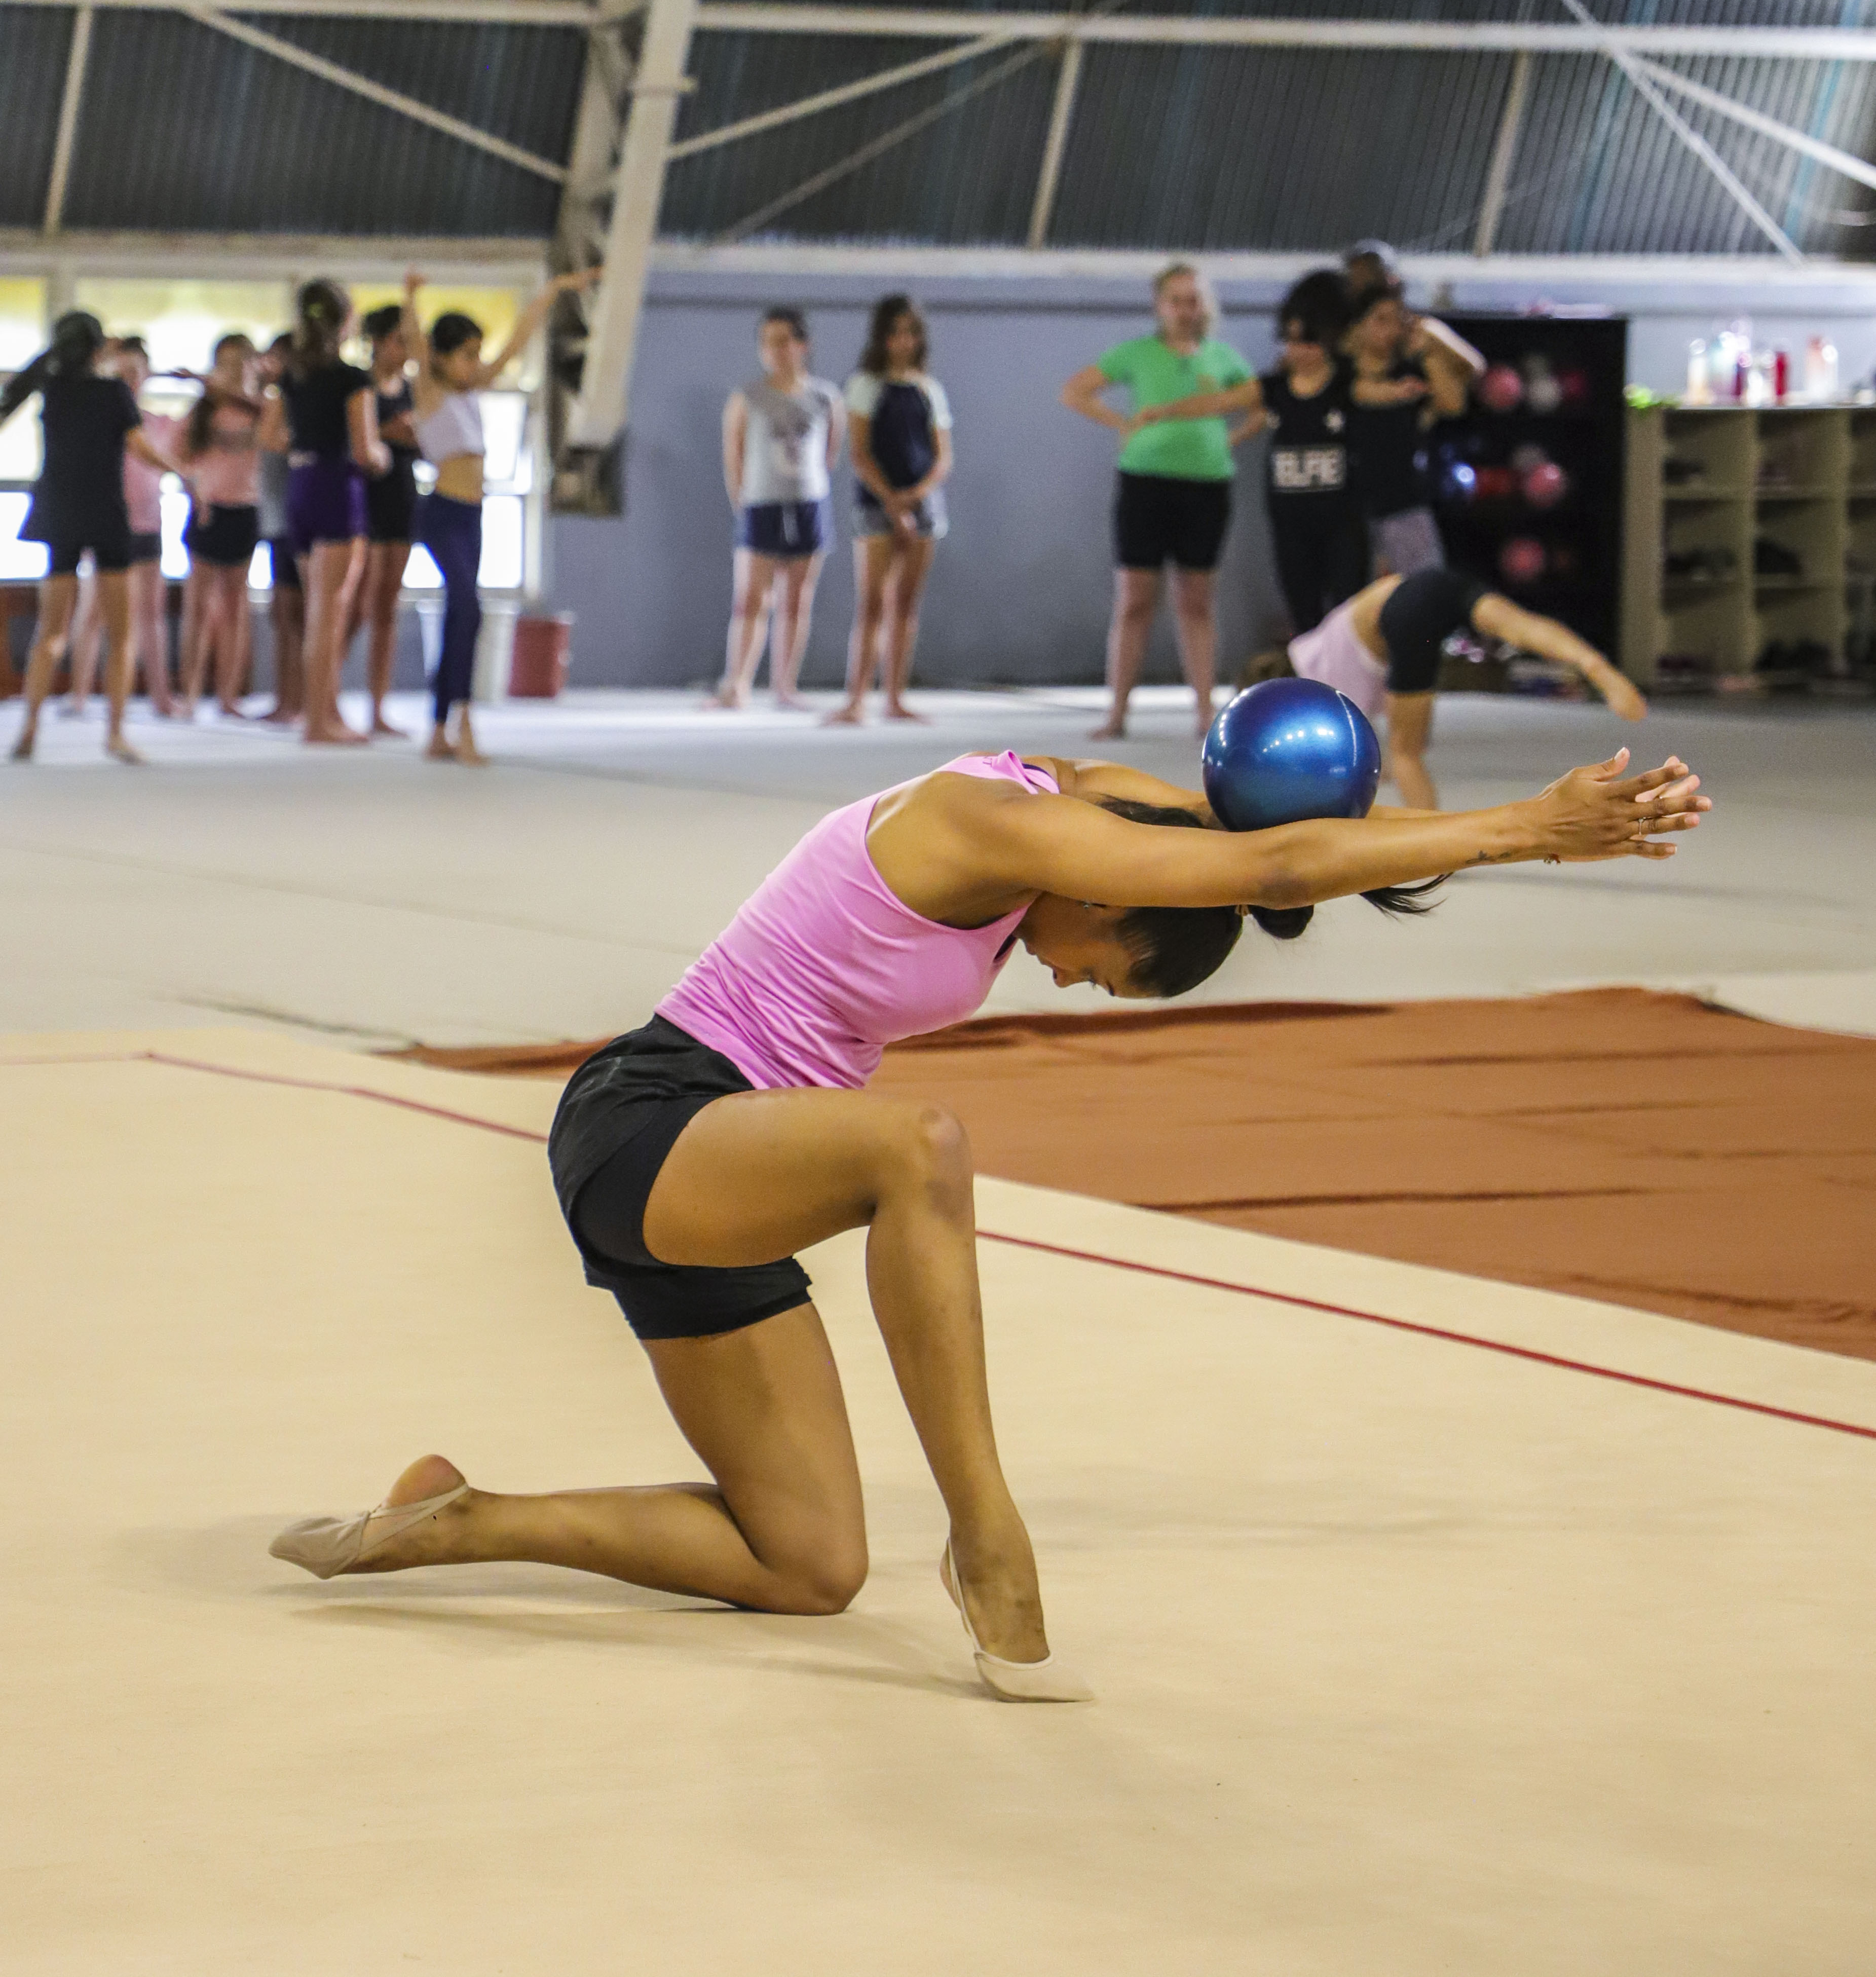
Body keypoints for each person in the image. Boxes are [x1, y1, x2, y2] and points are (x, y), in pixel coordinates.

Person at [269, 734, 1708, 1698]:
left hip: (738, 1165)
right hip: (654, 1121)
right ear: (1105, 900)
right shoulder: (981, 817)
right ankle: (988, 1542)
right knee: (921, 1147)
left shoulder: (1083, 806)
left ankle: (457, 1520)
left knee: (808, 1565)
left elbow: (1271, 843)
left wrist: (1468, 843)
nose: (1072, 983)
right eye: (1105, 969)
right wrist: (1529, 827)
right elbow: (1263, 869)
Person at [1247, 565, 1648, 810]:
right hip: (1435, 584)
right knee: (1518, 625)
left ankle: (1437, 845)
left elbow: (1358, 758)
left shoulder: (1322, 681)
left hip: (1404, 618)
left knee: (1407, 753)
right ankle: (1594, 664)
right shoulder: (1318, 643)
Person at [404, 265, 598, 762]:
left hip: (474, 514)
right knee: (466, 607)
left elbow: (517, 343)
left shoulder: (471, 392)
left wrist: (551, 291)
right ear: (443, 357)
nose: (476, 363)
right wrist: (411, 298)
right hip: (443, 512)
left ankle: (440, 726)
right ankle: (461, 720)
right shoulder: (431, 392)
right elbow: (413, 343)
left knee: (463, 616)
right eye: (466, 355)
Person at [1060, 262, 1256, 741]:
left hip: (1206, 487)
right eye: (1177, 300)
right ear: (1160, 305)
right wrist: (1119, 423)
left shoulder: (1223, 358)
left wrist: (1229, 441)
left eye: (1194, 300)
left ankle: (1206, 713)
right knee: (1135, 599)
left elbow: (1259, 403)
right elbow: (1077, 390)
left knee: (1196, 600)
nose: (1186, 310)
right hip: (1145, 483)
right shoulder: (1137, 353)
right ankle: (1117, 713)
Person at [1124, 267, 1366, 638]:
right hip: (1291, 522)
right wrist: (1164, 411)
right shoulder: (1276, 388)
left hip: (1341, 522)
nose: (1300, 352)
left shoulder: (1349, 386)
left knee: (1349, 614)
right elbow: (1219, 401)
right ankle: (1314, 692)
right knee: (1305, 614)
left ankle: (1350, 694)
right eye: (1291, 341)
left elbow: (1382, 389)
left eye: (1310, 342)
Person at [5, 315, 177, 764]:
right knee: (121, 633)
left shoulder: (53, 389)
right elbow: (140, 447)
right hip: (105, 514)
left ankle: (29, 729)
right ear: (100, 349)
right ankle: (116, 734)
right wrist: (179, 470)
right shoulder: (114, 393)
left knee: (52, 630)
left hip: (60, 513)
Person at [255, 281, 384, 747]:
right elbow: (367, 450)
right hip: (336, 486)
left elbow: (269, 438)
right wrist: (384, 457)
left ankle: (326, 710)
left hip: (301, 486)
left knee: (318, 609)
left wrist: (304, 443)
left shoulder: (292, 378)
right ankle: (317, 721)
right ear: (346, 321)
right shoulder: (353, 380)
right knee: (328, 614)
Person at [826, 293, 953, 726]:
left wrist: (917, 496)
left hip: (923, 503)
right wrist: (892, 499)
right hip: (877, 504)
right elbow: (860, 453)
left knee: (906, 605)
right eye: (895, 332)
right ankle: (856, 698)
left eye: (911, 333)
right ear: (882, 337)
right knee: (873, 603)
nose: (904, 341)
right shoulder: (865, 385)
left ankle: (895, 696)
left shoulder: (928, 388)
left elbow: (943, 457)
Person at [715, 307, 844, 713]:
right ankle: (738, 684)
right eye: (768, 343)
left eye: (785, 341)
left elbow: (830, 450)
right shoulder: (748, 397)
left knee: (797, 599)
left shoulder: (825, 396)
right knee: (752, 599)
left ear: (802, 346)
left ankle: (785, 686)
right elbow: (733, 455)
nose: (777, 351)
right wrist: (743, 499)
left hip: (808, 503)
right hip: (761, 505)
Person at [65, 336, 178, 724]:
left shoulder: (161, 423)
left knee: (151, 613)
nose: (131, 379)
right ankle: (79, 695)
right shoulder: (100, 418)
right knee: (93, 610)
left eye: (137, 372)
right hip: (108, 522)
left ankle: (162, 696)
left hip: (149, 522)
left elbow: (177, 458)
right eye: (123, 371)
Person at [1342, 278, 1482, 579]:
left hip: (1404, 510)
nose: (1390, 331)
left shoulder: (1413, 375)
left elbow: (1456, 399)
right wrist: (1393, 392)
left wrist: (1429, 344)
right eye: (1380, 320)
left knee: (1422, 601)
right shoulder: (1341, 376)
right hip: (1347, 516)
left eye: (1397, 322)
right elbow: (1358, 392)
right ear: (1358, 325)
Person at [179, 334, 262, 718]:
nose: (232, 371)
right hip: (208, 511)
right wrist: (195, 493)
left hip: (244, 512)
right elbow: (179, 460)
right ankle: (191, 694)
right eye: (225, 363)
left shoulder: (261, 410)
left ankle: (230, 696)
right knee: (198, 608)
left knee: (235, 609)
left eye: (240, 363)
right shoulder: (201, 413)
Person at [351, 303, 421, 738]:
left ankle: (378, 707)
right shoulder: (359, 387)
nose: (406, 349)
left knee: (386, 609)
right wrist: (388, 433)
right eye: (400, 340)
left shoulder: (412, 390)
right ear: (377, 342)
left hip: (401, 496)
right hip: (365, 498)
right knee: (357, 605)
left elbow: (422, 435)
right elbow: (363, 442)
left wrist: (400, 433)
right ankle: (321, 697)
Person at [253, 332, 304, 725]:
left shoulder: (297, 403)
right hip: (276, 519)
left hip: (300, 518)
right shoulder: (270, 401)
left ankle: (302, 699)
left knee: (301, 614)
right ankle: (285, 699)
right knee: (282, 613)